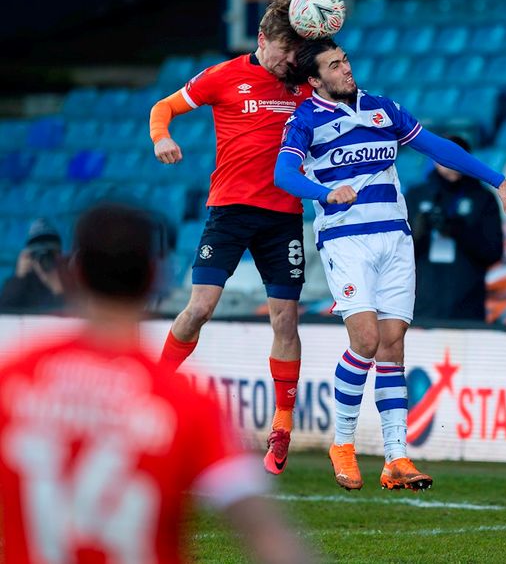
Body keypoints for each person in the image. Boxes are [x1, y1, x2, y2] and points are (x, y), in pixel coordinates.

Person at [274, 37, 506, 492]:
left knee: (392, 344)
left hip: (395, 237)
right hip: (346, 240)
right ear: (314, 79)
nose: (345, 69)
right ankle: (343, 444)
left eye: (345, 60)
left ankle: (396, 457)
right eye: (334, 66)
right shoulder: (305, 121)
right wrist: (323, 194)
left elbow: (438, 148)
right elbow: (282, 175)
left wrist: (498, 181)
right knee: (367, 339)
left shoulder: (383, 109)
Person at [0, 203, 312, 564]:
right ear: (154, 277)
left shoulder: (15, 380)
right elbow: (268, 536)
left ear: (72, 275)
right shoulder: (185, 402)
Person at [148, 0, 311, 476]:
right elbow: (164, 106)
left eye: (297, 52)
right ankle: (154, 389)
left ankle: (281, 425)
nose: (290, 60)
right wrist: (162, 137)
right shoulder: (222, 76)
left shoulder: (304, 85)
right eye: (284, 50)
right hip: (231, 211)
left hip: (283, 215)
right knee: (199, 307)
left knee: (285, 320)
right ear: (262, 41)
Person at [406, 134, 504, 322]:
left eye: (459, 157)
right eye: (445, 156)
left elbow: (494, 252)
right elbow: (397, 255)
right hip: (422, 304)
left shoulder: (483, 198)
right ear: (434, 159)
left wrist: (459, 231)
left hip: (467, 305)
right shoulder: (416, 195)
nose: (451, 162)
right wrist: (417, 233)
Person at [0, 218, 68, 311]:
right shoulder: (23, 282)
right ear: (29, 256)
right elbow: (4, 313)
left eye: (50, 253)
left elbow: (78, 315)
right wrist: (19, 277)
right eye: (39, 254)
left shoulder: (69, 279)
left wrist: (58, 288)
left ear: (59, 254)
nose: (45, 258)